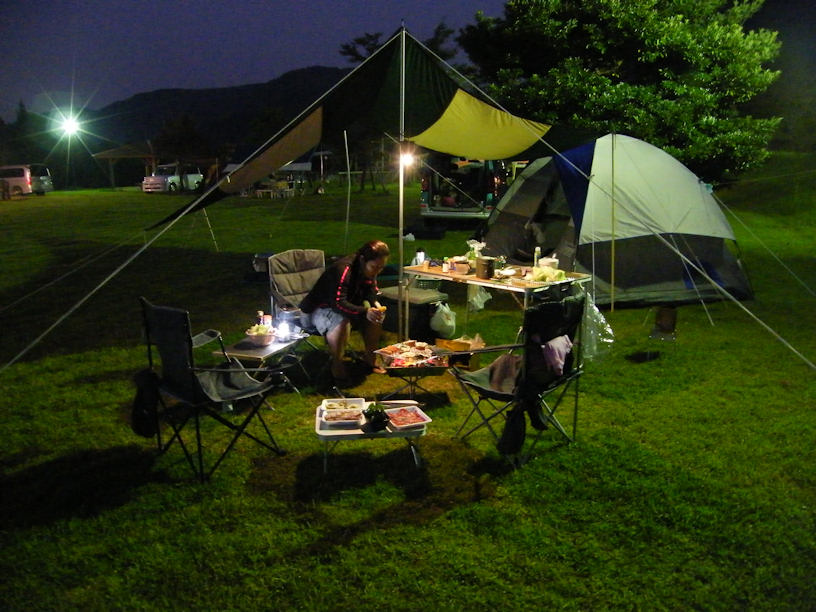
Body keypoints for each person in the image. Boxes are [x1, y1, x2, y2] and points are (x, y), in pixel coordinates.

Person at [299, 240, 390, 383]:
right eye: (374, 267)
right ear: (362, 260)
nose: (377, 271)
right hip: (316, 310)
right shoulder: (343, 270)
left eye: (381, 268)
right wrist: (365, 311)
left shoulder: (369, 270)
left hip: (343, 307)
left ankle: (370, 360)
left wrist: (375, 305)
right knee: (341, 320)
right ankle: (337, 365)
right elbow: (338, 303)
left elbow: (370, 290)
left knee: (375, 317)